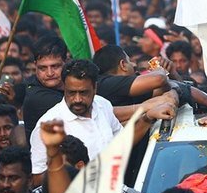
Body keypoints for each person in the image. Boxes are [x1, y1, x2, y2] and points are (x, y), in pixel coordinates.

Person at [29, 59, 175, 183]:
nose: (77, 99)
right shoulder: (48, 125)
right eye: (71, 93)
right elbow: (36, 178)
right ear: (64, 88)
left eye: (84, 92)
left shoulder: (103, 105)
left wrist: (148, 118)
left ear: (95, 88)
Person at [22, 37, 68, 138]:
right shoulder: (36, 96)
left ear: (66, 62)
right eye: (43, 68)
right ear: (35, 65)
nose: (50, 73)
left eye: (55, 66)